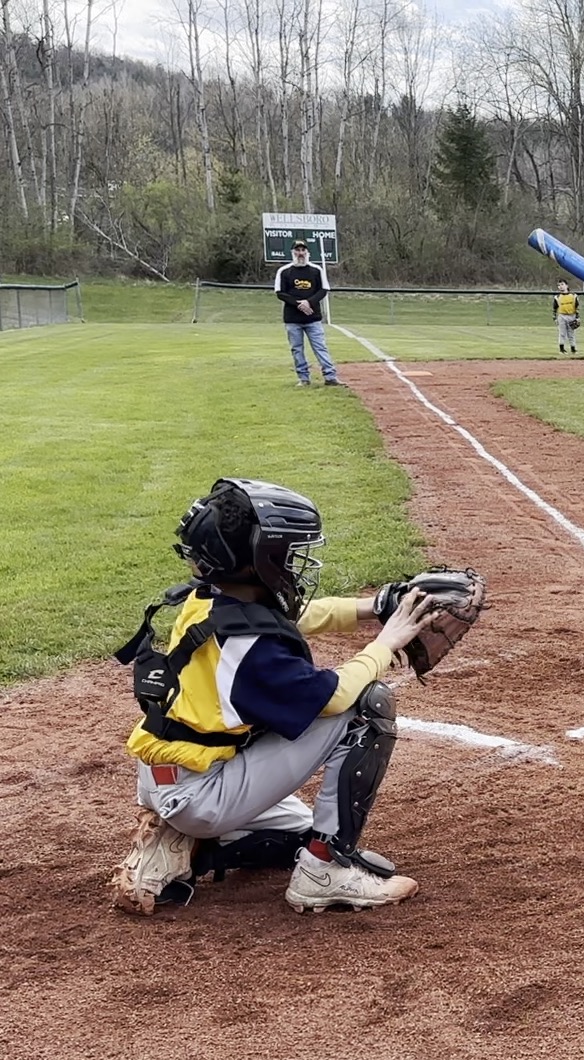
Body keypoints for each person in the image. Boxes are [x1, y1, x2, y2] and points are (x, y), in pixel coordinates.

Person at [109, 478, 441, 916]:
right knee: (366, 704)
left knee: (300, 835)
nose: (294, 561)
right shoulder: (253, 651)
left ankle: (173, 844)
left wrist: (372, 607)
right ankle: (324, 874)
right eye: (287, 551)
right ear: (257, 560)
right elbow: (335, 698)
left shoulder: (208, 597)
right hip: (204, 790)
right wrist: (387, 643)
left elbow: (291, 619)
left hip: (172, 775)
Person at [274, 240, 341, 387]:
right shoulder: (284, 271)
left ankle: (330, 376)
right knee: (297, 349)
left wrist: (309, 302)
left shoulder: (316, 270)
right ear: (293, 253)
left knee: (320, 346)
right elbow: (280, 293)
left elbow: (323, 290)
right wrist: (298, 304)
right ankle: (304, 378)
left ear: (307, 253)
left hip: (313, 318)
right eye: (297, 250)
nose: (300, 253)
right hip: (292, 319)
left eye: (303, 250)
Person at [554, 281, 581, 354]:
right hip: (562, 316)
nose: (560, 286)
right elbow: (555, 308)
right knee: (562, 333)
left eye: (562, 284)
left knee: (571, 333)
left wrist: (577, 317)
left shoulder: (573, 295)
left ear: (567, 285)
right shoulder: (557, 297)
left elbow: (577, 307)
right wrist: (555, 318)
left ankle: (573, 349)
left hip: (572, 315)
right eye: (559, 285)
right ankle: (562, 349)